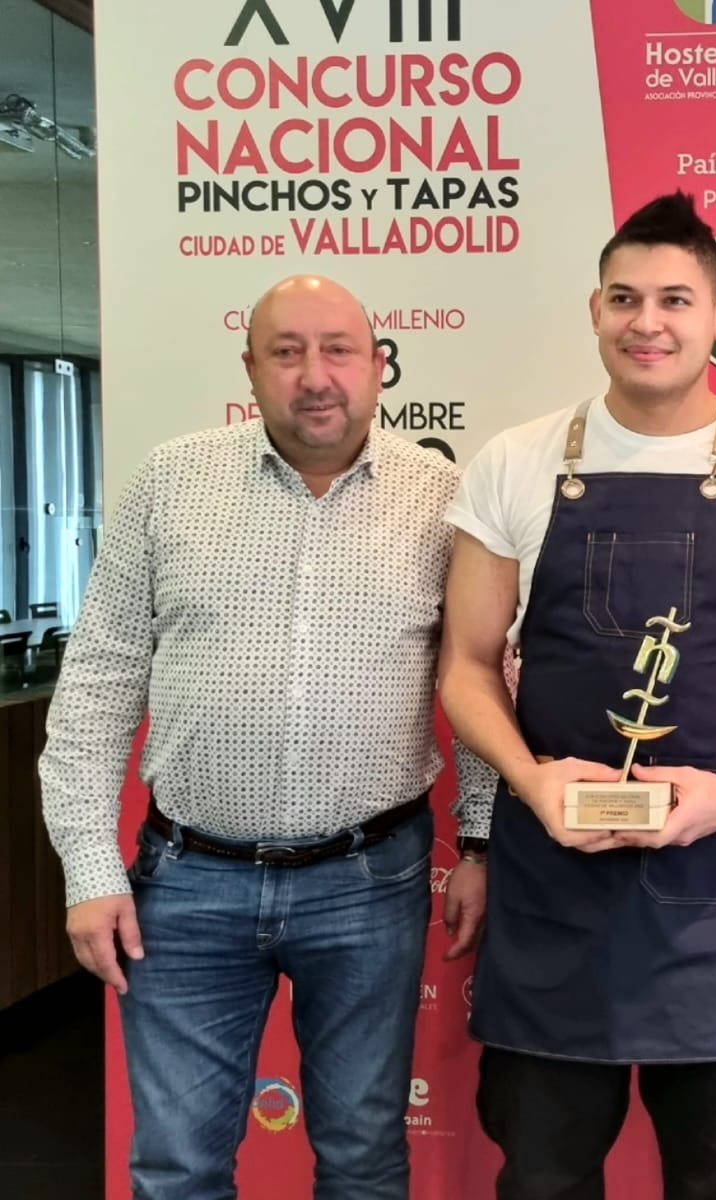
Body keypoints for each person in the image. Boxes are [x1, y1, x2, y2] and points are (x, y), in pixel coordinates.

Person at [437, 191, 716, 1200]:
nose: (649, 322)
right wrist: (531, 782)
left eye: (675, 299)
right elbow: (465, 665)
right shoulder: (514, 463)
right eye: (625, 298)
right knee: (542, 1178)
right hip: (555, 890)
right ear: (595, 310)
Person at [37, 274, 496, 1200]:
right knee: (177, 1168)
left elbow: (477, 677)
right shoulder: (170, 481)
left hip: (370, 883)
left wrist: (480, 842)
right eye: (287, 352)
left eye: (338, 350)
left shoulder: (444, 499)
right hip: (186, 886)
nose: (314, 376)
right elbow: (95, 685)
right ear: (250, 368)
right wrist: (89, 871)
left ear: (379, 365)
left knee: (363, 1160)